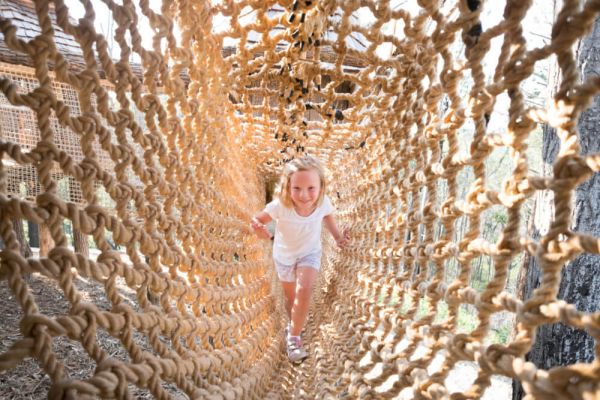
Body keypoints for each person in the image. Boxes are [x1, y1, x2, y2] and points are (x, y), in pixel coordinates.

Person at [250, 155, 349, 363]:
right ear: (287, 187)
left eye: (311, 188)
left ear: (321, 187)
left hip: (310, 253)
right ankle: (294, 323)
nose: (304, 195)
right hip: (284, 256)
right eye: (297, 189)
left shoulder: (323, 203)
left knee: (304, 290)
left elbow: (328, 215)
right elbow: (258, 220)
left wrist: (338, 237)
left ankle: (293, 337)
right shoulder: (280, 206)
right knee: (291, 299)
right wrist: (259, 230)